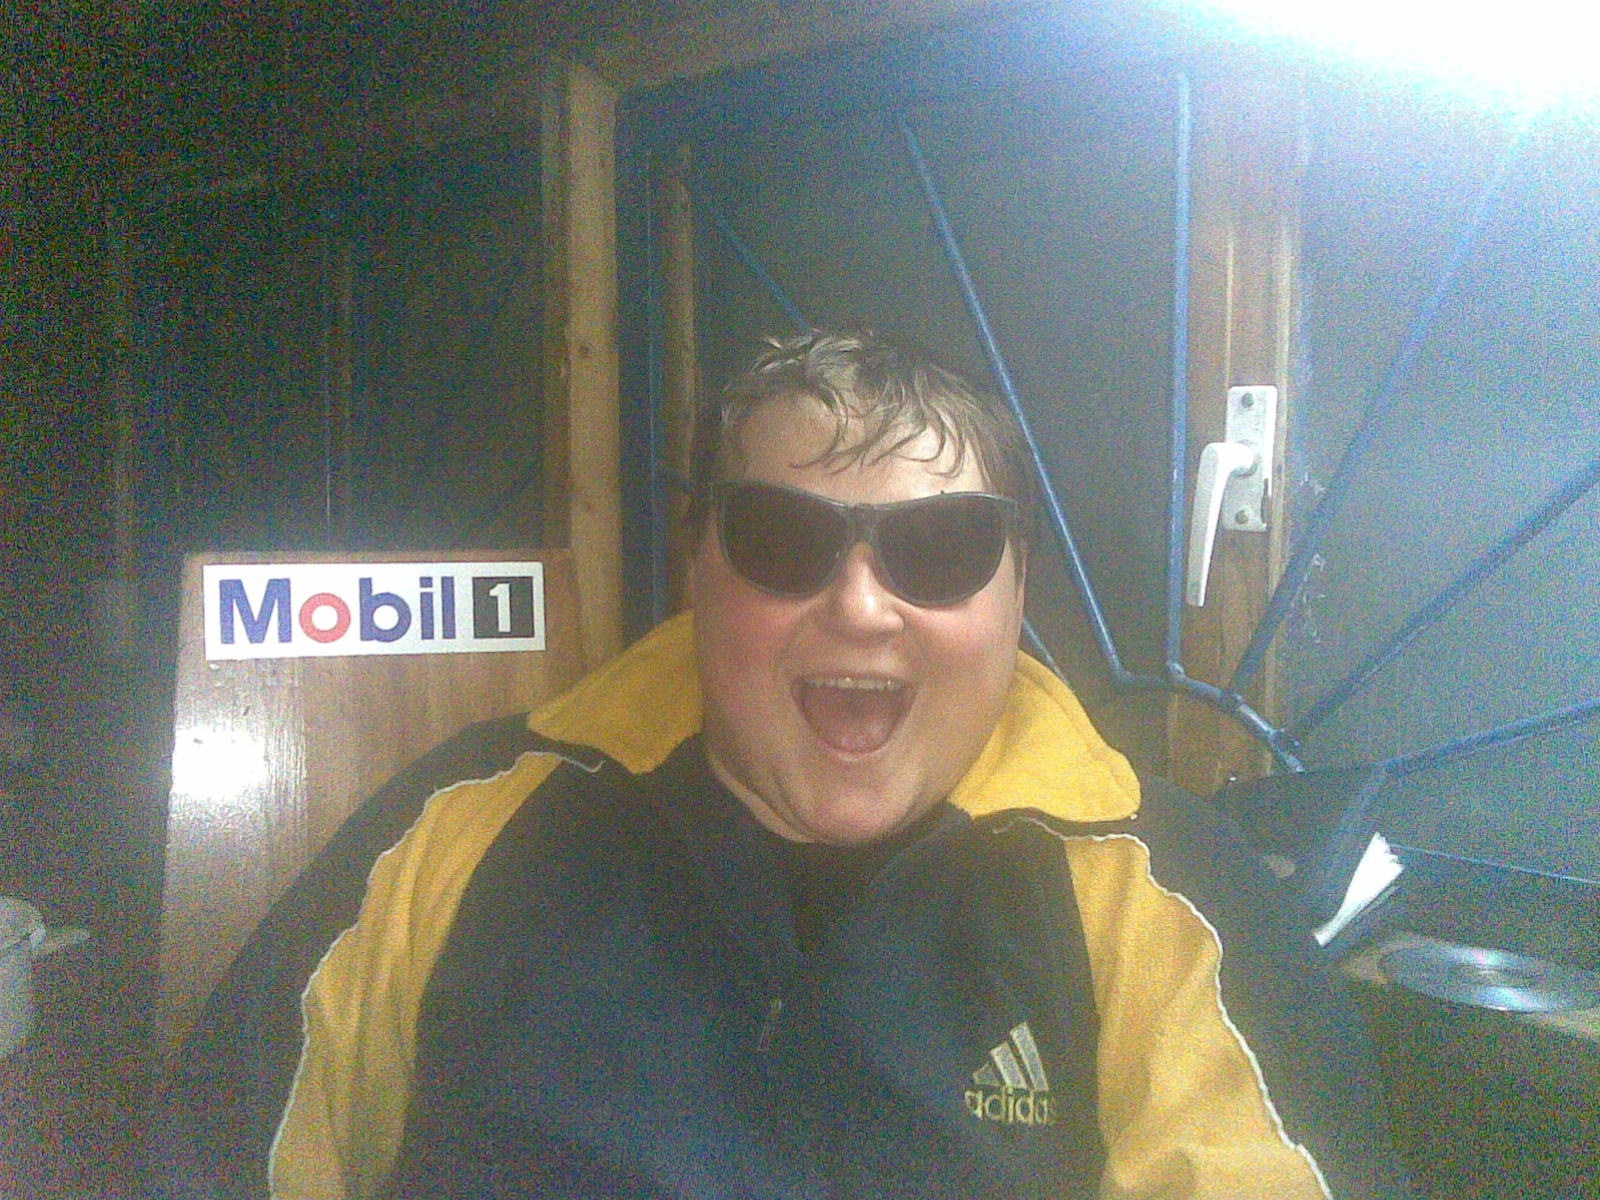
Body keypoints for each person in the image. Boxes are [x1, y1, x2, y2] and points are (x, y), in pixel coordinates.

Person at [157, 329, 1409, 1199]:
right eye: (782, 538)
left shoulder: (1165, 904)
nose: (860, 607)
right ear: (698, 567)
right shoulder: (459, 828)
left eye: (940, 548)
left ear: (1016, 585)